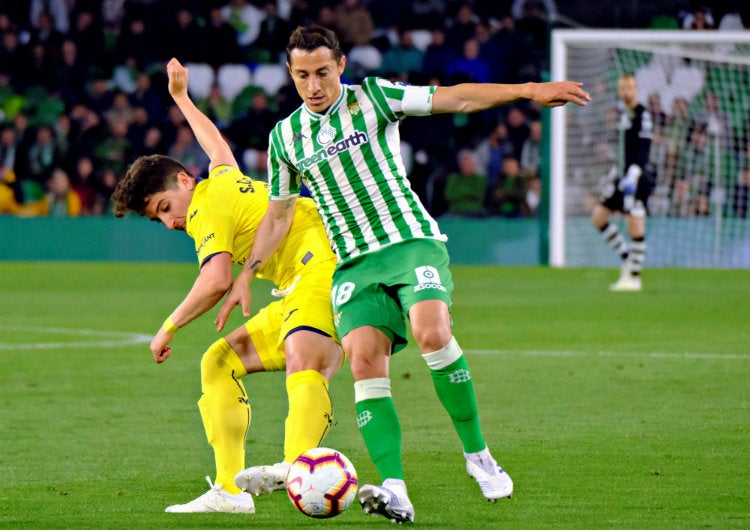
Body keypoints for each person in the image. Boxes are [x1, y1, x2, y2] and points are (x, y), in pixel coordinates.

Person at [217, 26, 590, 524]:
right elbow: (279, 215)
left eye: (323, 72)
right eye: (303, 75)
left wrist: (527, 91)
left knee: (432, 331)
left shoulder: (374, 98)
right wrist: (247, 273)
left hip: (409, 242)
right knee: (364, 361)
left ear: (341, 66)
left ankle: (478, 455)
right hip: (353, 262)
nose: (313, 85)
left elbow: (454, 99)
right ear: (290, 73)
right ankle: (395, 488)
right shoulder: (285, 137)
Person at [111, 58, 343, 514]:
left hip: (324, 268)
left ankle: (299, 466)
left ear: (183, 181)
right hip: (300, 281)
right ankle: (229, 492)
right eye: (157, 217)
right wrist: (181, 98)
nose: (168, 221)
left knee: (304, 359)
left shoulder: (202, 208)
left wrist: (168, 327)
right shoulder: (221, 181)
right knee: (220, 360)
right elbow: (216, 144)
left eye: (163, 207)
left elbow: (216, 278)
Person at [590, 73, 654, 292]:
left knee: (634, 224)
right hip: (622, 175)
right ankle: (628, 259)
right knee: (598, 216)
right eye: (622, 88)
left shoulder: (642, 115)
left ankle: (634, 278)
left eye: (630, 87)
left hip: (638, 177)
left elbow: (644, 149)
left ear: (636, 89)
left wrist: (634, 174)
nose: (626, 92)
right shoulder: (622, 115)